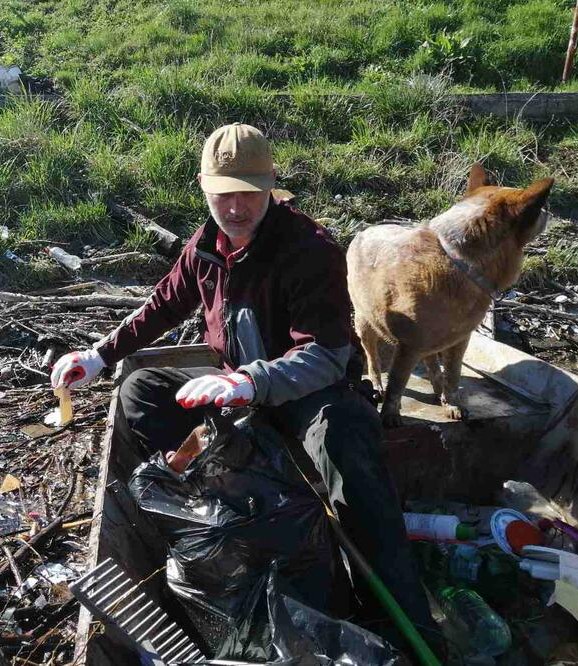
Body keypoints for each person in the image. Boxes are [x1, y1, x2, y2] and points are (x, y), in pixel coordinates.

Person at [50, 122, 434, 644]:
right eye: (223, 195)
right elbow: (165, 302)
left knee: (346, 435)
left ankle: (399, 620)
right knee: (142, 392)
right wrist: (99, 355)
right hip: (240, 391)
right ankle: (219, 520)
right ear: (204, 189)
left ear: (271, 185)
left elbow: (326, 356)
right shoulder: (206, 246)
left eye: (249, 194)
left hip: (306, 394)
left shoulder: (308, 249)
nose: (235, 208)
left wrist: (252, 382)